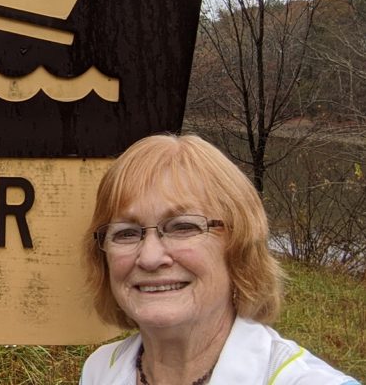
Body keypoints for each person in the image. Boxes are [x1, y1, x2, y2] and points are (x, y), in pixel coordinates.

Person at [80, 134, 360, 385]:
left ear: (238, 246)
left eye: (183, 227)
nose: (150, 258)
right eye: (126, 233)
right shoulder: (101, 369)